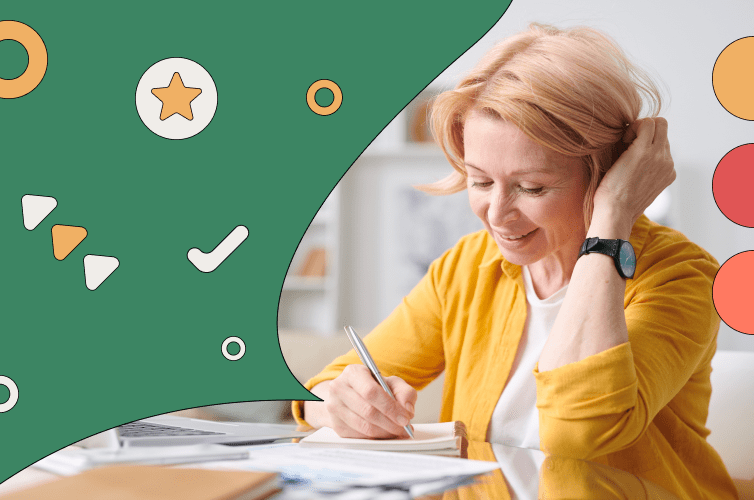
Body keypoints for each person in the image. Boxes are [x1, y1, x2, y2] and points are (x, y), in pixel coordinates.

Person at [292, 24, 737, 499]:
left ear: (609, 175)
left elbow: (577, 433)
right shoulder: (467, 268)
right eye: (480, 182)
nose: (497, 215)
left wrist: (611, 225)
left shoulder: (683, 276)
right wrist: (340, 405)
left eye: (532, 188)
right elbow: (319, 390)